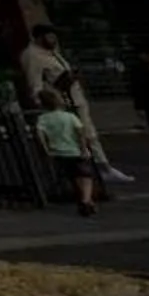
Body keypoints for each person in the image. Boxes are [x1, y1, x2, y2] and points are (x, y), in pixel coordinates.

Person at [18, 24, 123, 195]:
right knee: (77, 138)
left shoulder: (52, 53)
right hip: (61, 102)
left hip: (74, 98)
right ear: (39, 37)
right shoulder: (32, 55)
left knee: (89, 134)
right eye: (49, 37)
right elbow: (35, 83)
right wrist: (46, 102)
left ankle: (102, 167)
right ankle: (89, 173)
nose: (53, 40)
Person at [37, 87, 100, 217]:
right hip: (75, 150)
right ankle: (86, 200)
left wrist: (46, 150)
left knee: (75, 176)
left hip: (58, 152)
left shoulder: (43, 119)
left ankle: (87, 201)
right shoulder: (70, 117)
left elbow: (40, 135)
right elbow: (80, 133)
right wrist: (84, 149)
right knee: (86, 176)